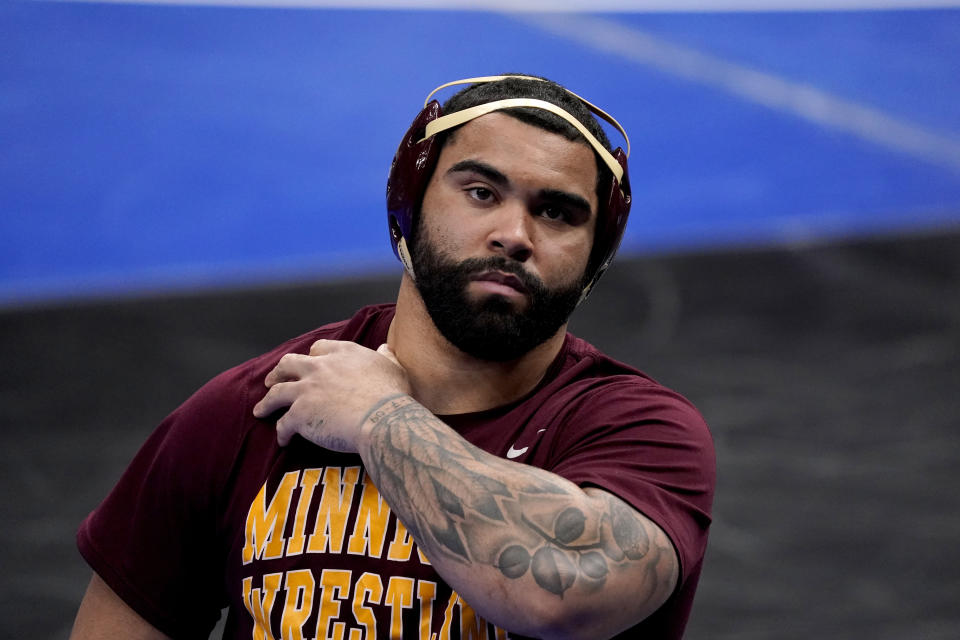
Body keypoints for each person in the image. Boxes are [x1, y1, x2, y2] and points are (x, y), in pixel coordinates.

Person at [70, 74, 715, 640]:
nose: (515, 235)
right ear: (408, 205)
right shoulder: (257, 407)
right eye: (481, 192)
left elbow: (564, 594)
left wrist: (380, 417)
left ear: (594, 254)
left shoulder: (639, 432)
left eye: (556, 212)